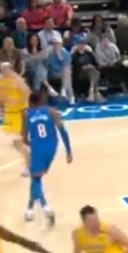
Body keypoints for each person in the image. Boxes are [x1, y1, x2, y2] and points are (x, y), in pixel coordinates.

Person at [22, 91, 73, 225]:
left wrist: (31, 145)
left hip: (37, 147)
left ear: (31, 102)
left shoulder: (27, 114)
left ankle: (45, 207)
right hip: (52, 147)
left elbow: (24, 137)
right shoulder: (51, 111)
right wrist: (68, 151)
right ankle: (29, 209)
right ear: (42, 100)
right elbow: (63, 131)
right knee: (35, 177)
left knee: (36, 179)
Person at [0, 61, 31, 176]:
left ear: (10, 69)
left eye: (6, 69)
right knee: (14, 142)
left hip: (20, 112)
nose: (4, 71)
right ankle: (31, 155)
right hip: (9, 113)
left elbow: (27, 93)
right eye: (2, 69)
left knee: (21, 140)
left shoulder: (17, 80)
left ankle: (29, 166)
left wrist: (19, 102)